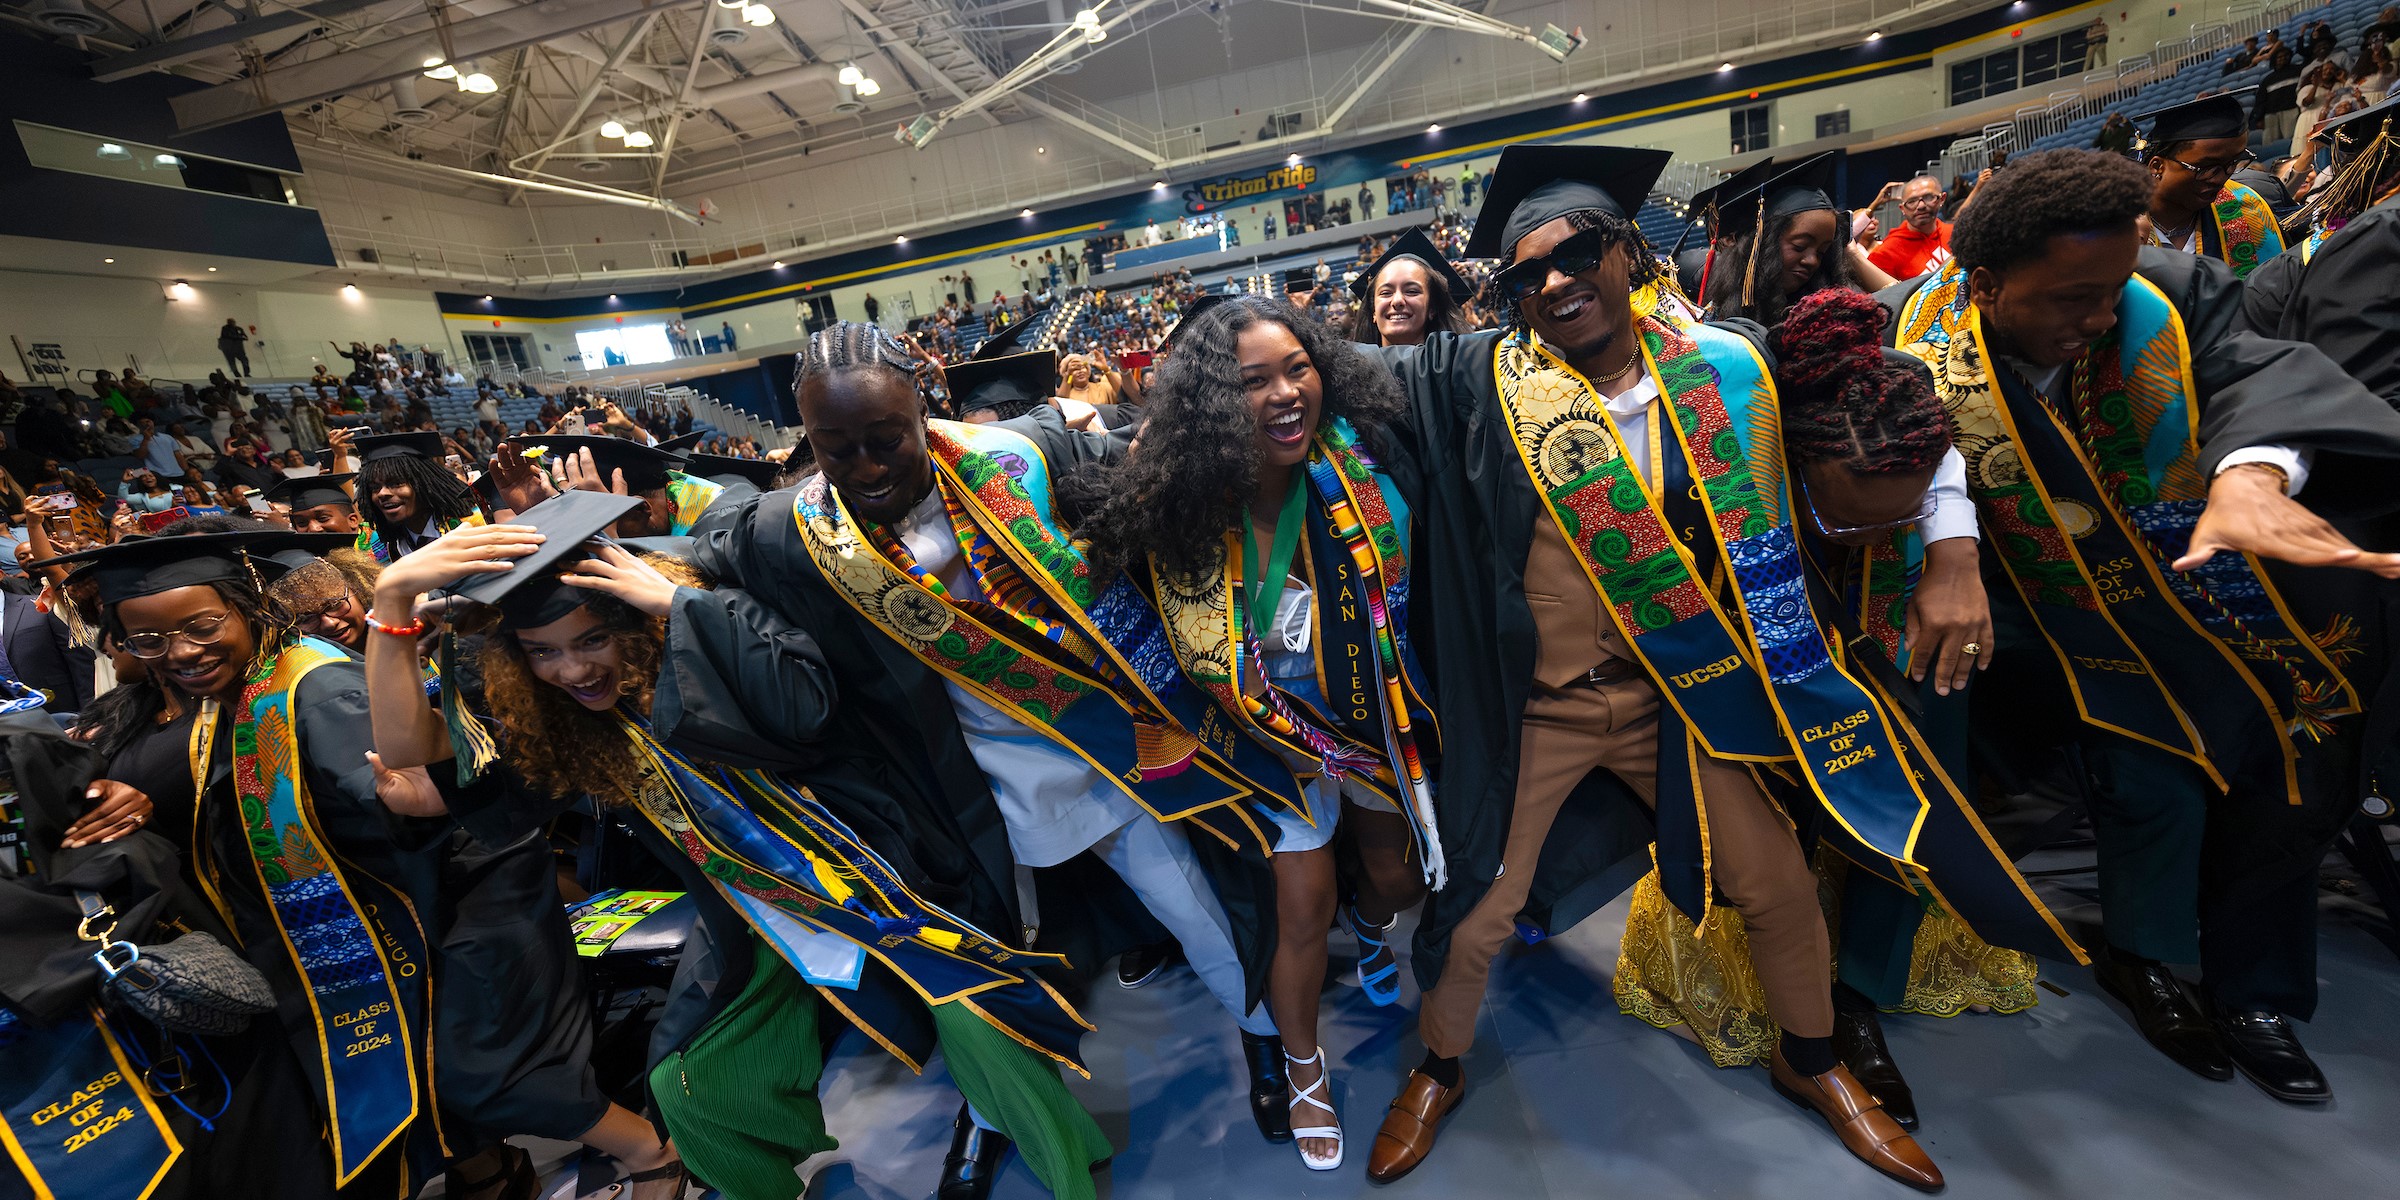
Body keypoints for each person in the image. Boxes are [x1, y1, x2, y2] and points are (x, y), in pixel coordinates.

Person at [1357, 143, 1941, 1189]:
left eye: (1576, 252)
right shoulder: (1475, 381)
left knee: (1775, 883)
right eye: (1525, 272)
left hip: (1680, 694)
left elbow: (1908, 420)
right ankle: (1439, 1066)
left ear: (1629, 251)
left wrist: (1953, 548)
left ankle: (1812, 1062)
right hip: (1537, 711)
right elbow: (1343, 382)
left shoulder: (1729, 365)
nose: (1552, 282)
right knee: (1482, 909)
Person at [369, 493, 1112, 1200]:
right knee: (691, 1084)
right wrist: (392, 600)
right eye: (542, 652)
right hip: (752, 917)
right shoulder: (567, 724)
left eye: (592, 639)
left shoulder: (713, 620)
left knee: (973, 1014)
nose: (571, 670)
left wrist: (679, 605)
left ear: (632, 617)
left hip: (873, 871)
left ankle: (1053, 1153)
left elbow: (805, 703)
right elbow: (410, 756)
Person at [691, 322, 1309, 1152]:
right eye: (835, 449)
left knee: (1191, 906)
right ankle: (993, 1115)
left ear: (928, 403)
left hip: (1087, 747)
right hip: (959, 786)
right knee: (984, 961)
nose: (866, 470)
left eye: (886, 440)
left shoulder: (1016, 457)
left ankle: (1262, 1038)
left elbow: (1107, 446)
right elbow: (716, 533)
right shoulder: (797, 531)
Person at [1880, 147, 2400, 1105]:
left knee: (2294, 758)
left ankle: (2256, 991)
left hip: (2213, 577)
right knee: (2143, 769)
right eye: (2070, 298)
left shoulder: (2160, 290)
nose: (2098, 316)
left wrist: (2251, 473)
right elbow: (1914, 453)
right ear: (1986, 284)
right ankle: (2146, 959)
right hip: (2042, 605)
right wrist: (1950, 548)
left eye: (2112, 287)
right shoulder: (1914, 337)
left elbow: (2254, 366)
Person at [1067, 296, 1444, 1172]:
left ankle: (1370, 906)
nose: (1283, 394)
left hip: (1365, 719)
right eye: (1251, 382)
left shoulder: (1367, 470)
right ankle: (1303, 1066)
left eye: (1296, 368)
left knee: (1395, 876)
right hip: (1265, 742)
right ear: (1209, 403)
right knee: (1299, 913)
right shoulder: (1181, 505)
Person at [56, 525, 450, 1196]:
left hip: (339, 942)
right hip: (230, 959)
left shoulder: (307, 687)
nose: (181, 652)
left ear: (248, 604)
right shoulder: (164, 706)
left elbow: (397, 808)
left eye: (202, 626)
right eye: (147, 640)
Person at [1699, 151, 1898, 326]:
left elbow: (1907, 311)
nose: (1812, 260)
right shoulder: (1714, 310)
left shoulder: (1830, 316)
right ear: (1760, 243)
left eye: (1822, 252)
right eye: (1800, 246)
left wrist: (1851, 254)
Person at [2134, 92, 2284, 277]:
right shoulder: (2120, 225)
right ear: (2158, 167)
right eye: (2205, 168)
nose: (2220, 179)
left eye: (2232, 163)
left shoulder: (2249, 208)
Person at [337, 430, 487, 562]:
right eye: (374, 488)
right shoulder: (370, 543)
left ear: (423, 484)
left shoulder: (469, 523)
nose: (382, 493)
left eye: (396, 484)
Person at [1344, 228, 1473, 345]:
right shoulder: (1349, 370)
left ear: (1432, 308)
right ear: (1373, 311)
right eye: (1386, 292)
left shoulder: (1461, 367)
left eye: (1411, 291)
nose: (1397, 301)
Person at [1867, 174, 1952, 279]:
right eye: (1911, 201)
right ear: (1902, 209)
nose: (1921, 206)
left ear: (1942, 199)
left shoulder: (1956, 233)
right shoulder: (1884, 254)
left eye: (1929, 197)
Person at [264, 472, 362, 535]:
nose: (313, 529)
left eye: (323, 518)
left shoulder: (376, 545)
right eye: (302, 523)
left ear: (352, 521)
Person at [2258, 46, 2303, 142]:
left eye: (2285, 56)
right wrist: (2259, 118)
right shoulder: (2267, 79)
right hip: (2271, 115)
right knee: (2269, 144)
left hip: (2291, 111)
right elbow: (2261, 100)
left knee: (2291, 141)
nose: (2283, 58)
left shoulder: (2298, 71)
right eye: (2279, 57)